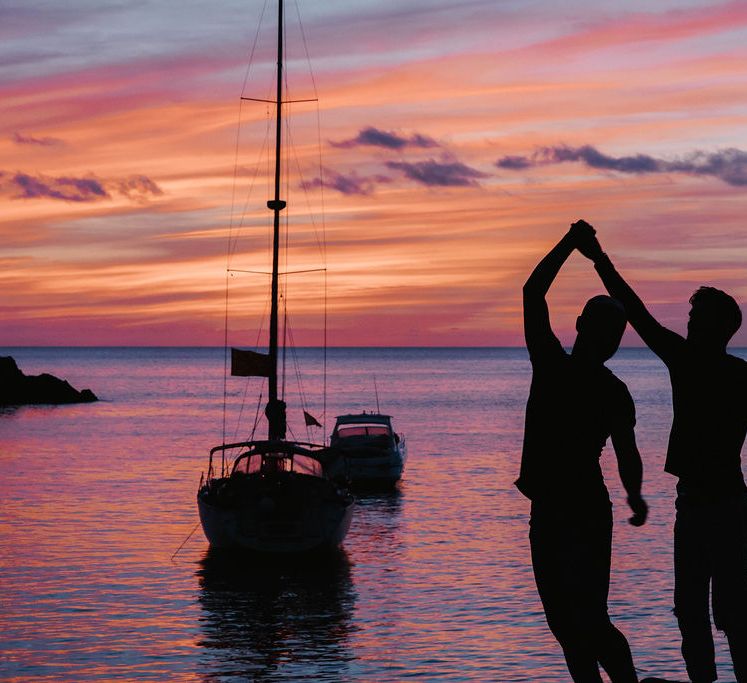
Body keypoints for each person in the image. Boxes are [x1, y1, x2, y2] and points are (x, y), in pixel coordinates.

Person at [575, 219, 747, 683]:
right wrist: (599, 261)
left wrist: (599, 259)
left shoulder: (712, 369)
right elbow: (636, 312)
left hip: (724, 508)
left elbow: (637, 313)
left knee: (724, 612)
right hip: (696, 505)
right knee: (696, 610)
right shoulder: (715, 369)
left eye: (695, 319)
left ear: (718, 327)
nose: (688, 325)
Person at [518, 221, 648, 683]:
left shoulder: (600, 385)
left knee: (586, 621)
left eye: (614, 333)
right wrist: (570, 245)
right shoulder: (559, 367)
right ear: (584, 327)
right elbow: (534, 293)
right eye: (605, 328)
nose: (608, 338)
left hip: (580, 510)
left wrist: (634, 496)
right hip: (556, 509)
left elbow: (627, 452)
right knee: (569, 625)